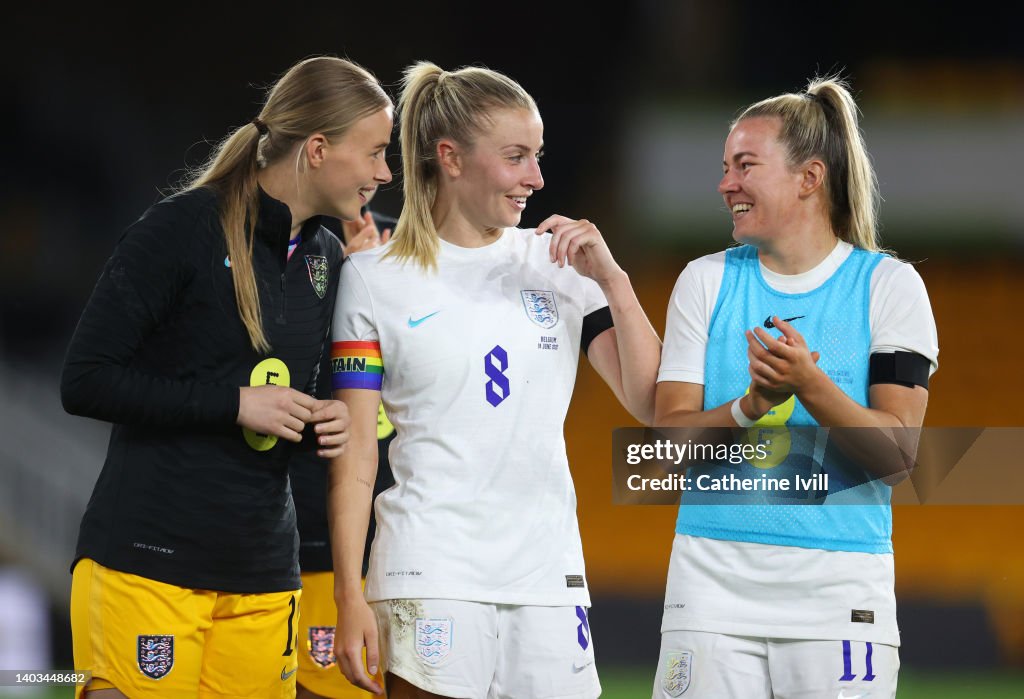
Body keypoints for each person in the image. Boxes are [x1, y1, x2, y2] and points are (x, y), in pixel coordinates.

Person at [60, 55, 393, 699]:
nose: (385, 172)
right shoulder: (179, 230)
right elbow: (87, 380)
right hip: (146, 566)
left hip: (264, 577)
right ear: (318, 149)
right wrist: (232, 404)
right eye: (376, 151)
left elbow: (287, 398)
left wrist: (321, 415)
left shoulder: (325, 256)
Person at [328, 61, 662, 698]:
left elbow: (652, 403)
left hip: (547, 574)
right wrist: (350, 592)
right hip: (429, 572)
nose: (536, 178)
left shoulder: (559, 265)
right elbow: (356, 454)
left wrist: (613, 280)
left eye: (538, 156)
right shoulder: (373, 278)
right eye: (516, 157)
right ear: (450, 158)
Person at [651, 76, 939, 698]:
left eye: (745, 165)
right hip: (711, 587)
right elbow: (664, 450)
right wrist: (751, 406)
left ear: (809, 178)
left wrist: (810, 385)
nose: (726, 184)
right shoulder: (702, 282)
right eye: (725, 167)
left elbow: (897, 457)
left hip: (839, 592)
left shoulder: (889, 287)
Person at [292, 204, 397, 699]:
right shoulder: (305, 258)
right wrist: (341, 294)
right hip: (317, 547)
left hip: (400, 553)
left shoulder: (409, 258)